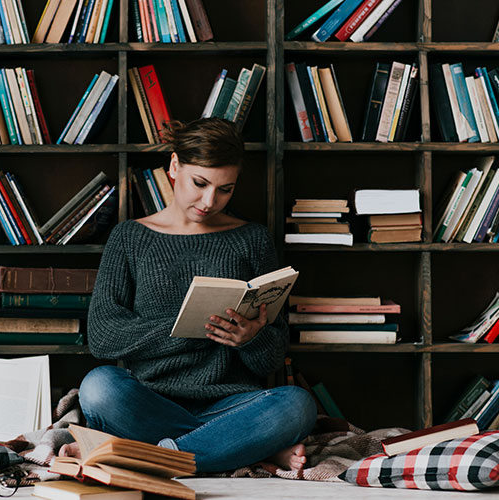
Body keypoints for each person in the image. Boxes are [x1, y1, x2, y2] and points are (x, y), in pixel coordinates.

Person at [70, 118, 316, 473]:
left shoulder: (253, 239)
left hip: (231, 406)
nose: (208, 201)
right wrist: (193, 329)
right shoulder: (130, 237)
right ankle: (236, 450)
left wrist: (250, 338)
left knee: (297, 405)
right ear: (174, 166)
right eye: (199, 183)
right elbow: (104, 336)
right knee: (97, 387)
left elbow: (272, 358)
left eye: (225, 189)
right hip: (149, 400)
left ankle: (164, 455)